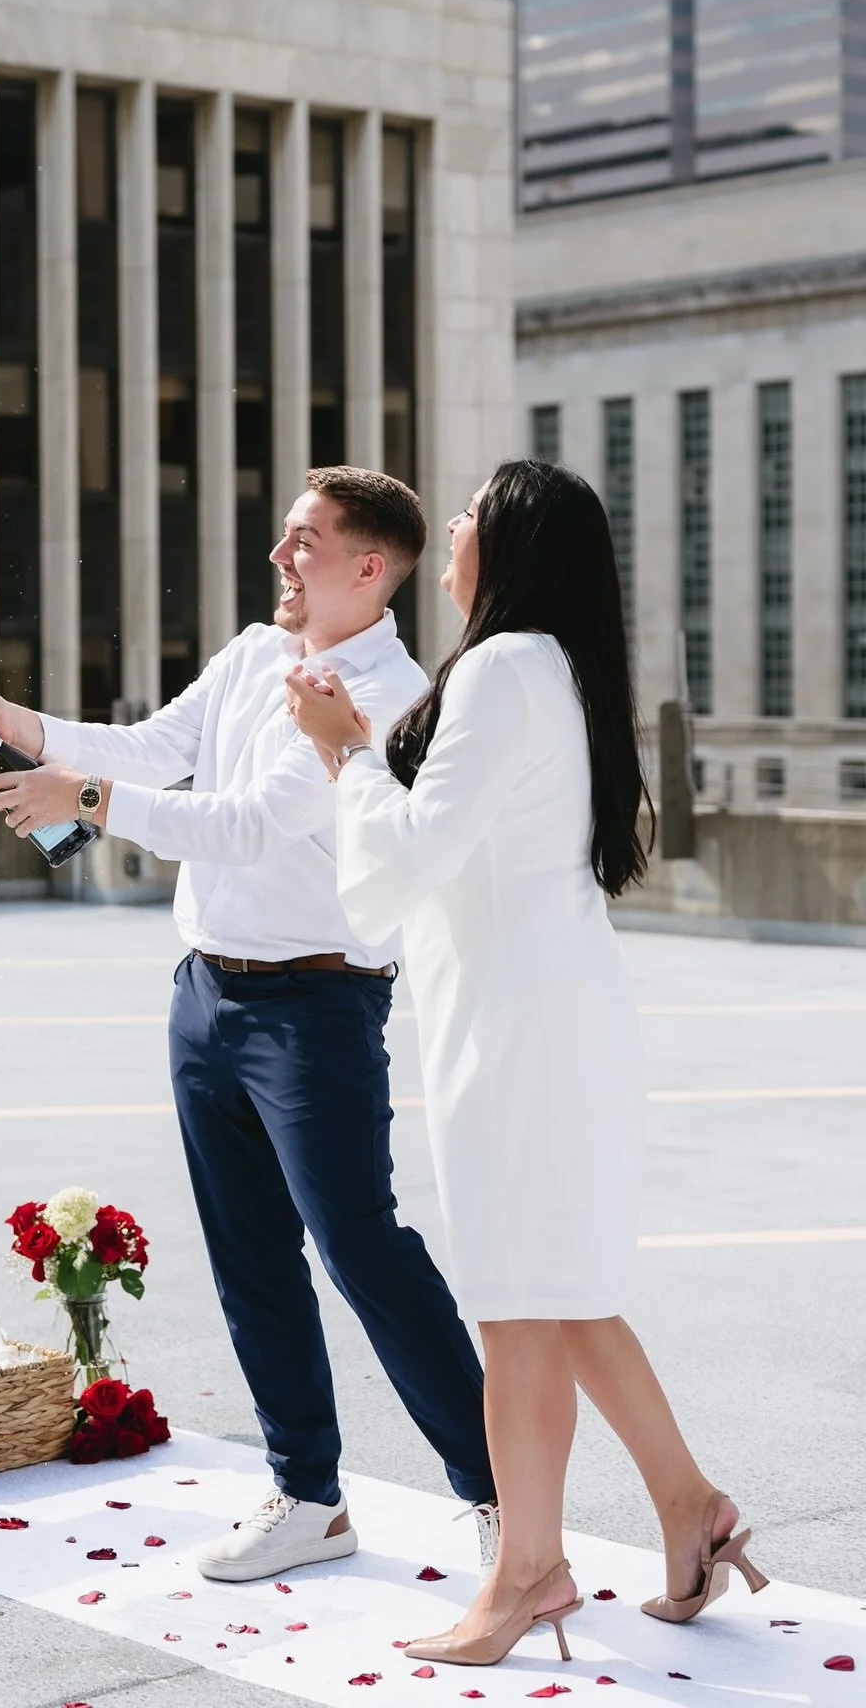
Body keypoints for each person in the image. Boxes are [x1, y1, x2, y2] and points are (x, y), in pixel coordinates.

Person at [0, 466, 498, 1582]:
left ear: (369, 568)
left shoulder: (388, 695)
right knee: (251, 1256)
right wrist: (26, 729)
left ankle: (498, 1495)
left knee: (363, 1249)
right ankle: (308, 1496)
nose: (283, 558)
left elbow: (248, 825)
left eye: (306, 541)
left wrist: (79, 800)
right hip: (206, 995)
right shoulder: (254, 654)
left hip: (318, 1005)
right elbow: (152, 747)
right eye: (287, 537)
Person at [286, 458, 768, 1667]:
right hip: (551, 1015)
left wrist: (345, 751)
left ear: (506, 546)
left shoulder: (501, 668)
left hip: (513, 1032)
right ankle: (686, 1509)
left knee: (514, 1307)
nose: (449, 529)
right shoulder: (551, 668)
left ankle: (526, 1575)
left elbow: (420, 857)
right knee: (560, 1293)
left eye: (465, 516)